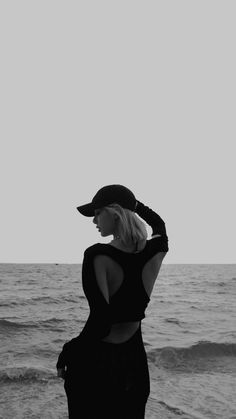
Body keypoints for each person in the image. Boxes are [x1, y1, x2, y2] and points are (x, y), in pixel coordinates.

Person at [56, 184, 169, 419]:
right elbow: (160, 225)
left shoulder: (97, 255)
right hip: (135, 364)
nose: (94, 220)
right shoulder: (155, 251)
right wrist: (135, 205)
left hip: (96, 364)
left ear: (115, 212)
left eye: (98, 213)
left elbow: (101, 321)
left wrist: (68, 350)